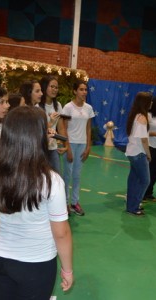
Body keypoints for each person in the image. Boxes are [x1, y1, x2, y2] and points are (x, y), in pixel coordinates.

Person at [0, 106, 73, 299]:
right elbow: (61, 233)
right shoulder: (50, 180)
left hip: (0, 258)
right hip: (36, 264)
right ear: (39, 136)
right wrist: (67, 270)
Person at [62, 80, 95, 216]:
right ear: (75, 91)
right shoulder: (67, 108)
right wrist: (67, 147)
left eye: (85, 90)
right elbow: (63, 128)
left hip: (82, 145)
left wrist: (88, 146)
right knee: (67, 175)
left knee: (76, 175)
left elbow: (88, 128)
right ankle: (64, 203)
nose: (84, 92)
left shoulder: (88, 108)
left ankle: (75, 202)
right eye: (81, 89)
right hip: (70, 144)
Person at [125, 92, 152, 215]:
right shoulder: (142, 118)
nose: (151, 103)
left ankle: (131, 206)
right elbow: (144, 139)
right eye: (150, 101)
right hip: (138, 153)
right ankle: (135, 205)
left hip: (131, 152)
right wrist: (149, 154)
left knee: (134, 180)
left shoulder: (135, 116)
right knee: (145, 180)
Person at [39, 75, 67, 174]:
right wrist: (50, 123)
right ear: (44, 87)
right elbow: (38, 129)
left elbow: (61, 127)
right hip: (40, 149)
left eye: (56, 87)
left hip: (53, 148)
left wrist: (65, 144)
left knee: (57, 176)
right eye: (52, 87)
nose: (55, 89)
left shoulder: (58, 105)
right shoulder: (37, 106)